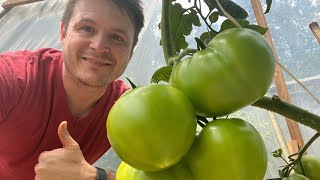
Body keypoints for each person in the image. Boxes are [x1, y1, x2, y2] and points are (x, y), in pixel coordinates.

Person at [0, 0, 144, 179]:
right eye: (86, 28)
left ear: (130, 54)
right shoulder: (16, 76)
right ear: (63, 32)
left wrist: (96, 176)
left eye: (116, 37)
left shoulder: (130, 110)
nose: (98, 46)